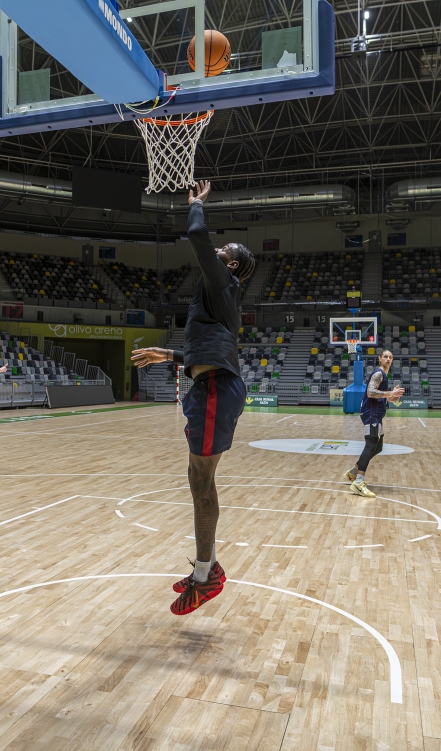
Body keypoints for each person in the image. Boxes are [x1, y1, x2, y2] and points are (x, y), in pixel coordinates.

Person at [131, 180, 255, 616]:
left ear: (233, 266)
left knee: (202, 483)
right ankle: (206, 566)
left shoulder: (221, 284)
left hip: (216, 391)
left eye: (227, 251)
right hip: (211, 386)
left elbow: (198, 236)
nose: (218, 250)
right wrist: (168, 353)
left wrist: (197, 205)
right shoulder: (218, 296)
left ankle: (207, 576)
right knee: (195, 477)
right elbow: (209, 348)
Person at [344, 349, 404, 497]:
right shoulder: (378, 374)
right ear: (380, 359)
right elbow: (370, 393)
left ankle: (353, 472)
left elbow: (379, 396)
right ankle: (358, 482)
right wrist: (390, 393)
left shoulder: (384, 375)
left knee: (378, 446)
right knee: (371, 444)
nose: (388, 359)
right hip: (371, 414)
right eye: (385, 356)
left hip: (376, 414)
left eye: (390, 357)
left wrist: (391, 398)